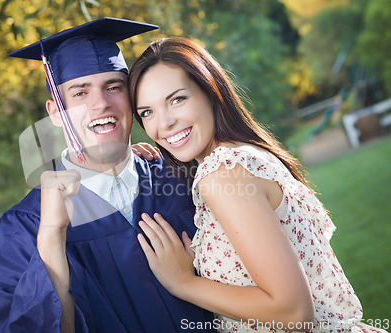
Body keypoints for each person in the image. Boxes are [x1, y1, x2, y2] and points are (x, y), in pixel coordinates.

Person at [0, 19, 215, 332]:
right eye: (80, 93)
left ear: (131, 100)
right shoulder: (24, 228)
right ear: (55, 113)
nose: (101, 103)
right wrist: (51, 238)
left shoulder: (186, 178)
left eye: (113, 87)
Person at [129, 37, 365, 333]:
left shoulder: (223, 171)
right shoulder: (245, 155)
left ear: (210, 91)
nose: (163, 124)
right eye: (147, 112)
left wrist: (184, 283)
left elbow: (293, 313)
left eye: (177, 99)